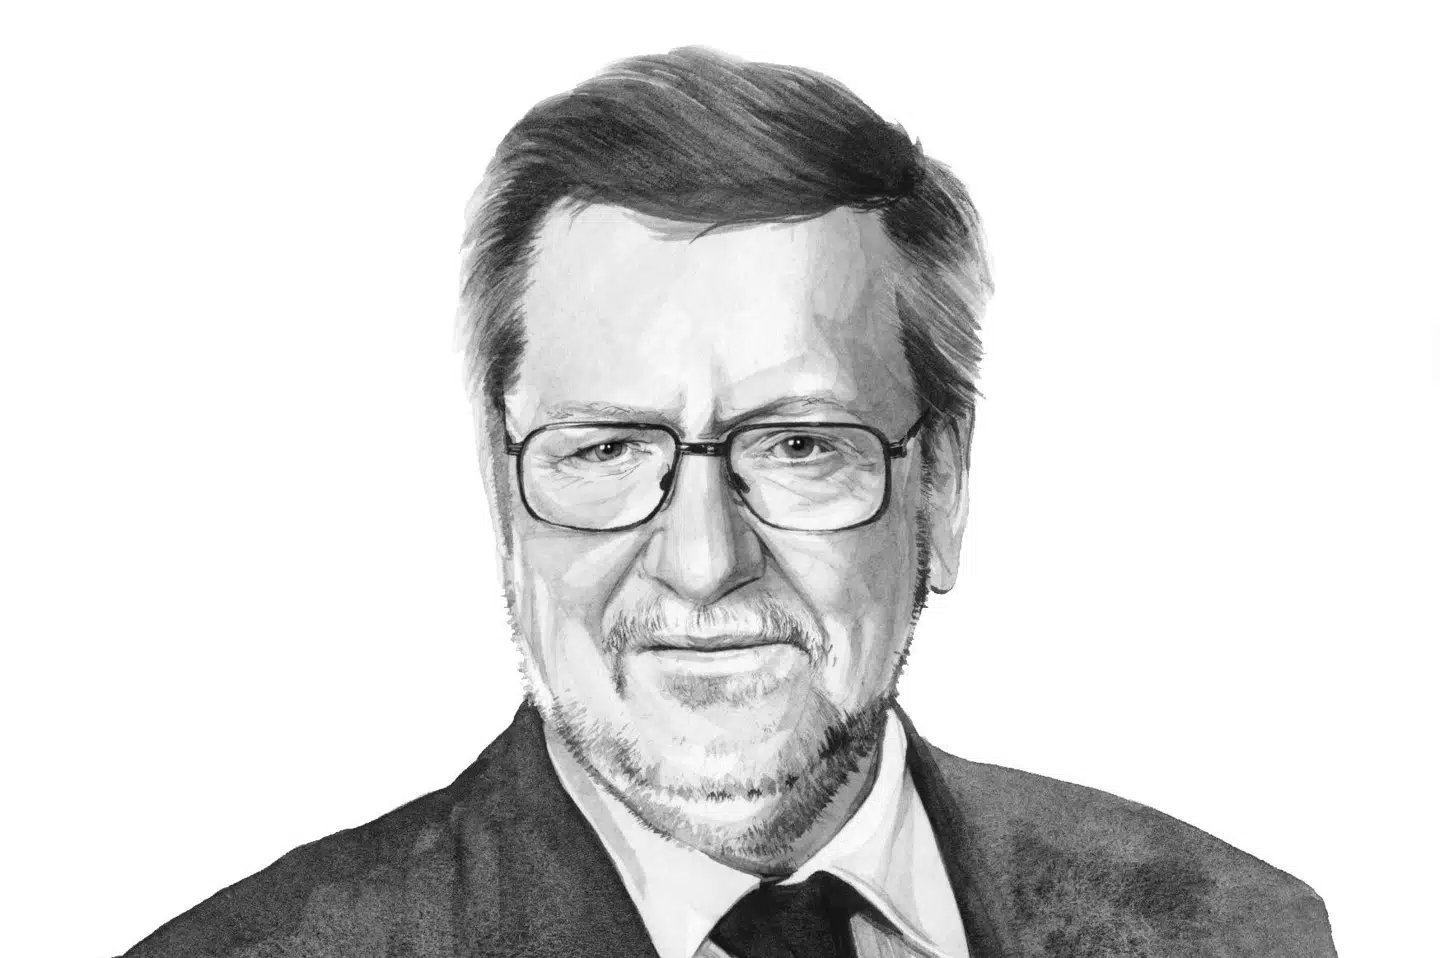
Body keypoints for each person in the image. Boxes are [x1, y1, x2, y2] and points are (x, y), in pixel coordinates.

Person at [122, 47, 1336, 958]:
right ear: (503, 498)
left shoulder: (1231, 929)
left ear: (945, 486)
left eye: (800, 445)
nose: (703, 560)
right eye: (606, 449)